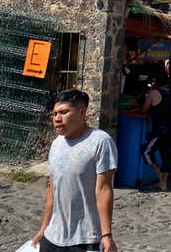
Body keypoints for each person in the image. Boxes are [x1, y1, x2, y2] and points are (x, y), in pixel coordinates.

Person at [31, 89, 118, 252]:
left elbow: (104, 189)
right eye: (55, 113)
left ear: (81, 113)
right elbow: (53, 190)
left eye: (64, 112)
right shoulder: (56, 144)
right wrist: (43, 228)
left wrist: (106, 236)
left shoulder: (100, 142)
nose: (57, 118)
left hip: (84, 239)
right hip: (52, 237)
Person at [141, 73, 171, 191]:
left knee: (146, 151)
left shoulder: (153, 93)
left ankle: (159, 174)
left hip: (160, 130)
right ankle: (164, 183)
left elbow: (145, 109)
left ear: (156, 83)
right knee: (167, 155)